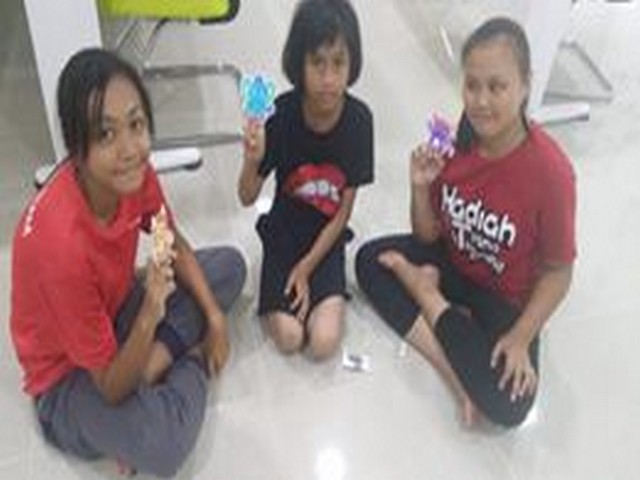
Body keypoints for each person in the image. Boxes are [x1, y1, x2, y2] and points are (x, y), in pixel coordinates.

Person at [9, 48, 246, 477]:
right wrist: (153, 309)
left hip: (116, 308)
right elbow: (111, 389)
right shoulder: (60, 247)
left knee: (228, 267)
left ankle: (152, 364)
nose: (130, 149)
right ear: (77, 148)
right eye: (106, 134)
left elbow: (171, 241)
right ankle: (185, 359)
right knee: (164, 445)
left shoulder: (136, 173)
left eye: (136, 125)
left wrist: (214, 318)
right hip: (69, 377)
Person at [356, 17, 576, 428]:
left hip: (504, 300)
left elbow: (559, 271)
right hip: (453, 263)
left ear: (525, 85)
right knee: (368, 260)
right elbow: (428, 235)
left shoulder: (551, 172)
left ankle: (427, 296)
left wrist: (521, 336)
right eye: (472, 85)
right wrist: (420, 188)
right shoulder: (460, 139)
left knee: (510, 405)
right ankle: (452, 361)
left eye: (497, 86)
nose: (481, 101)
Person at [238, 0, 374, 360]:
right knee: (289, 337)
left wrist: (307, 268)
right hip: (282, 235)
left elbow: (342, 214)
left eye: (338, 63)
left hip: (326, 242)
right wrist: (251, 160)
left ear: (352, 63)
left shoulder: (360, 121)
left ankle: (311, 293)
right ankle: (279, 297)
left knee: (324, 342)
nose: (328, 78)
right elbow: (246, 196)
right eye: (317, 63)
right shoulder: (280, 114)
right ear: (299, 63)